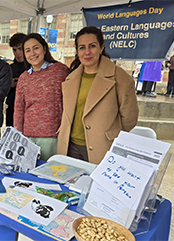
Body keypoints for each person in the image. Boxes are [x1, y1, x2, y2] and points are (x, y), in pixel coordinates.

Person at [57, 26, 139, 164]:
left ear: (101, 47)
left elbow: (129, 118)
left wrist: (109, 134)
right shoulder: (71, 78)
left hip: (103, 147)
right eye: (82, 47)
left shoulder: (120, 78)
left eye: (92, 46)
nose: (87, 52)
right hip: (70, 147)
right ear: (77, 51)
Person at [14, 33, 69, 161]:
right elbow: (19, 108)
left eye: (36, 48)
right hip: (28, 137)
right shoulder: (24, 77)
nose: (32, 53)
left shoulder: (60, 71)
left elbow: (68, 102)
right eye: (27, 50)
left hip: (52, 136)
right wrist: (19, 134)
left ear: (44, 48)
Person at [5, 32, 29, 127]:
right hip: (12, 108)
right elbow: (0, 92)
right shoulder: (9, 68)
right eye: (14, 50)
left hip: (28, 110)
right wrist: (9, 86)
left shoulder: (33, 68)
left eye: (20, 49)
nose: (17, 53)